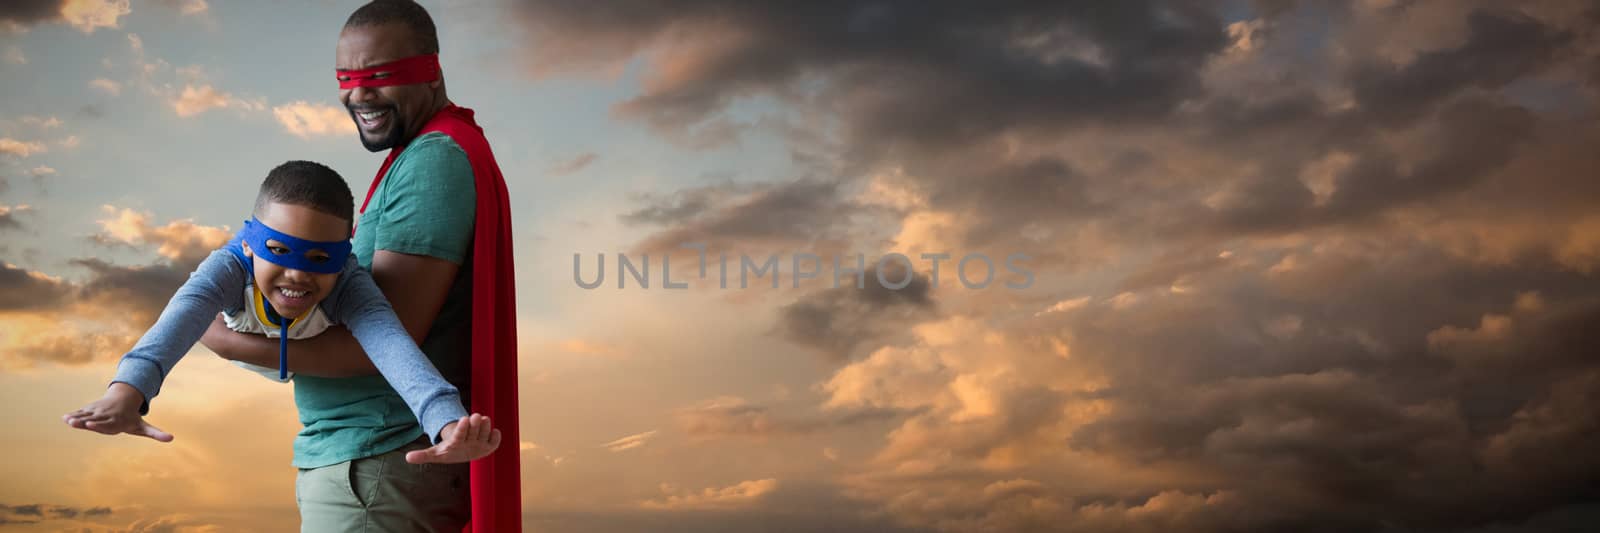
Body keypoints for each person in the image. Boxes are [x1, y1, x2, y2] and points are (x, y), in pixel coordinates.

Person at [201, 1, 521, 531]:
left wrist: (228, 341)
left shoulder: (432, 160)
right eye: (346, 77)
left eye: (380, 76)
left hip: (377, 469)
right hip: (368, 468)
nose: (357, 95)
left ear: (431, 71)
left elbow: (383, 341)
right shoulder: (417, 155)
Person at [62, 160, 501, 468]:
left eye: (319, 257)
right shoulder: (228, 267)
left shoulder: (349, 282)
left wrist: (445, 421)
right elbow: (181, 317)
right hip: (250, 327)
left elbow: (391, 344)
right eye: (279, 251)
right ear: (250, 243)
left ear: (343, 255)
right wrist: (126, 394)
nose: (298, 273)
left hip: (293, 349)